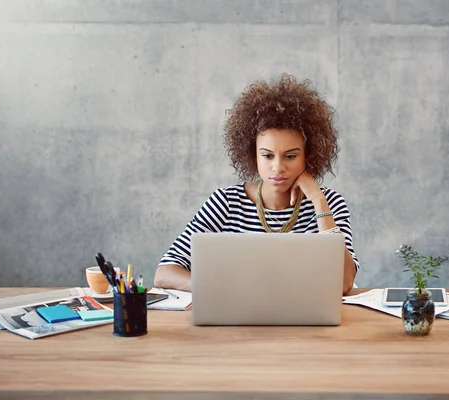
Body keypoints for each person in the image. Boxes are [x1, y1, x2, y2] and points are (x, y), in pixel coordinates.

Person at [154, 74, 360, 295]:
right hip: (237, 322)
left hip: (304, 324)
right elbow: (165, 272)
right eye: (268, 156)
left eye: (290, 156)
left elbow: (344, 282)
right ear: (253, 156)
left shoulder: (330, 203)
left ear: (308, 156)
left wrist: (319, 201)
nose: (278, 167)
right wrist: (216, 288)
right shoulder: (226, 202)